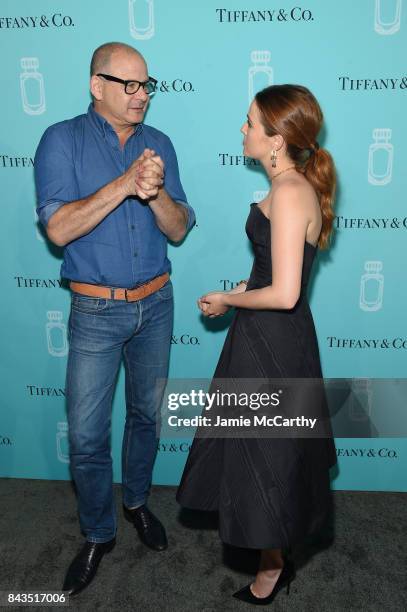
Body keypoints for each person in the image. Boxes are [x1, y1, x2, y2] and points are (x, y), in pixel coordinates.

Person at [34, 42, 195, 596]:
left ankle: (137, 504)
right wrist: (125, 184)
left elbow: (177, 229)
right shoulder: (61, 140)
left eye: (147, 85)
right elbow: (58, 229)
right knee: (85, 435)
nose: (141, 95)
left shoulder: (161, 144)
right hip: (95, 310)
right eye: (128, 84)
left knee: (147, 417)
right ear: (95, 85)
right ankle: (99, 532)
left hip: (156, 304)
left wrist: (153, 195)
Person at [176, 84, 337, 605]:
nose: (241, 129)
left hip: (274, 344)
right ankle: (275, 561)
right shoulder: (290, 186)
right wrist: (245, 290)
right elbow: (278, 274)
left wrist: (227, 298)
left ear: (275, 139)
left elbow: (288, 293)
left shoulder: (290, 192)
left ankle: (271, 573)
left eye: (249, 122)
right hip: (266, 336)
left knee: (266, 456)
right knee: (262, 455)